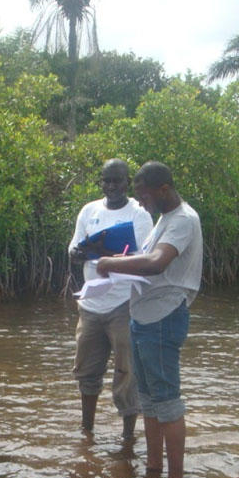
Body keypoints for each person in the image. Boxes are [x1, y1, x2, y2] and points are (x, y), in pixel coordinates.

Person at [96, 162, 203, 478]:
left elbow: (157, 263)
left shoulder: (183, 219)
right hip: (143, 317)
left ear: (164, 190)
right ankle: (153, 471)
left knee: (167, 400)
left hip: (163, 318)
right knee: (149, 399)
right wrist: (118, 265)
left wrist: (109, 263)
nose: (140, 202)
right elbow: (146, 260)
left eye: (143, 195)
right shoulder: (165, 219)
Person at [69, 158, 153, 439]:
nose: (111, 186)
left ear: (127, 182)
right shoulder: (89, 210)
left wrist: (113, 258)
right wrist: (78, 253)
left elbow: (144, 257)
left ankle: (127, 438)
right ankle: (86, 431)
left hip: (124, 305)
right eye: (106, 180)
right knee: (86, 372)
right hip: (90, 305)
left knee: (127, 374)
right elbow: (73, 247)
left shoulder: (139, 213)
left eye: (117, 180)